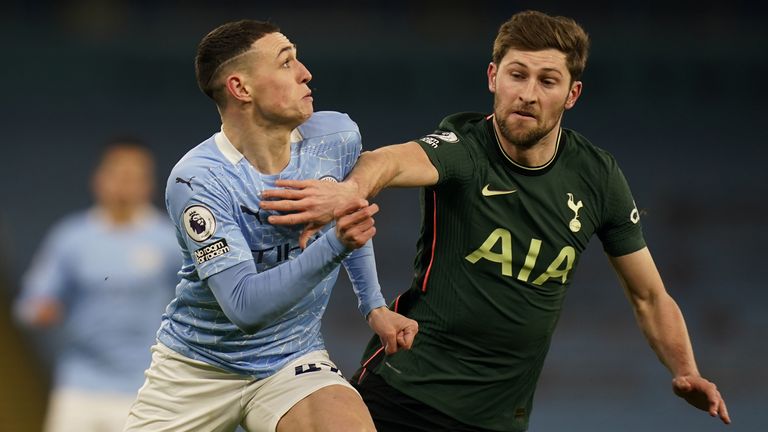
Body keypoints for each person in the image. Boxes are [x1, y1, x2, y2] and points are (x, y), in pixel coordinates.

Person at [259, 10, 731, 432]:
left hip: (499, 418)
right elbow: (390, 161)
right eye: (516, 75)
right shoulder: (465, 148)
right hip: (404, 395)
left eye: (547, 81)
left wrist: (684, 369)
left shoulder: (597, 176)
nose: (527, 94)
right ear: (492, 77)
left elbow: (649, 295)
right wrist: (351, 189)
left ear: (572, 94)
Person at [123, 20, 418, 432]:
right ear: (241, 89)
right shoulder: (199, 181)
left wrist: (374, 305)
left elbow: (351, 222)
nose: (305, 73)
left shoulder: (336, 137)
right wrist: (334, 242)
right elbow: (246, 308)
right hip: (198, 370)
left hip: (292, 360)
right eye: (286, 63)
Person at [15, 139, 180, 432]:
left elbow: (195, 302)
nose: (124, 183)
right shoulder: (71, 238)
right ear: (99, 178)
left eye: (134, 176)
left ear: (148, 183)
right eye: (117, 173)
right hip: (80, 383)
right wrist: (39, 310)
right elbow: (30, 303)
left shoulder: (169, 241)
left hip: (144, 383)